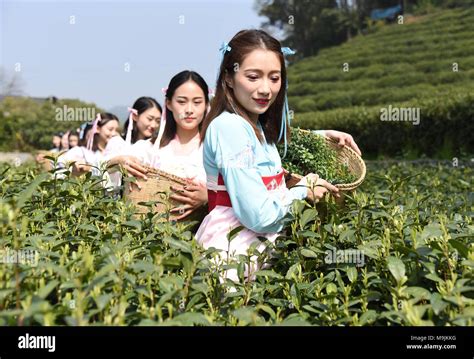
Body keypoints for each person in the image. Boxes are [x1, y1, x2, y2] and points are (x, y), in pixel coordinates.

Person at [196, 29, 361, 282]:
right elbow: (259, 216)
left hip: (256, 251)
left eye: (274, 78)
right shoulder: (229, 127)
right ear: (228, 78)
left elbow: (272, 144)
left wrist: (323, 135)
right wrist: (302, 190)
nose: (266, 89)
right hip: (232, 255)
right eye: (253, 77)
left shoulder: (256, 125)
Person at [112, 71, 210, 220]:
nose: (189, 110)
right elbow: (106, 168)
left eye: (197, 102)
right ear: (169, 104)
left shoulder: (213, 149)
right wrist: (120, 162)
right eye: (182, 102)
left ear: (206, 105)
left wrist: (209, 196)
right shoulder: (151, 148)